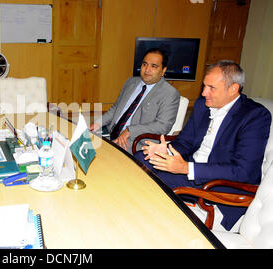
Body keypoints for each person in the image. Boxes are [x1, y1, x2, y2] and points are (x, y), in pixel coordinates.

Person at [135, 60, 271, 231]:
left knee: (145, 181)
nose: (204, 92)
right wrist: (167, 149)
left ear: (233, 89)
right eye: (204, 86)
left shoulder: (255, 116)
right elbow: (186, 142)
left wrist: (186, 168)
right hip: (190, 167)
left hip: (218, 184)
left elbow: (242, 171)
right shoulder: (203, 104)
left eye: (211, 88)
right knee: (141, 158)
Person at [89, 48, 180, 153]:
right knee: (80, 146)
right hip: (111, 133)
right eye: (144, 64)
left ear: (163, 70)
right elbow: (116, 108)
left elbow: (162, 126)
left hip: (135, 143)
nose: (147, 69)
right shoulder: (131, 82)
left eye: (153, 66)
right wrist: (97, 123)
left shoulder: (170, 93)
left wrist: (130, 130)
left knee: (99, 159)